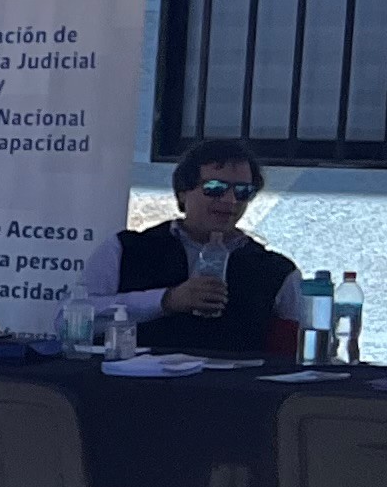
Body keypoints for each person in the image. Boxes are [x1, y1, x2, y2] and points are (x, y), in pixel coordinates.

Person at [82, 140, 296, 352]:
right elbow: (75, 319)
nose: (230, 200)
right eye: (215, 188)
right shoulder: (124, 248)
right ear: (183, 192)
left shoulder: (278, 271)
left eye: (243, 191)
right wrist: (165, 300)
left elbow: (297, 347)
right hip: (137, 373)